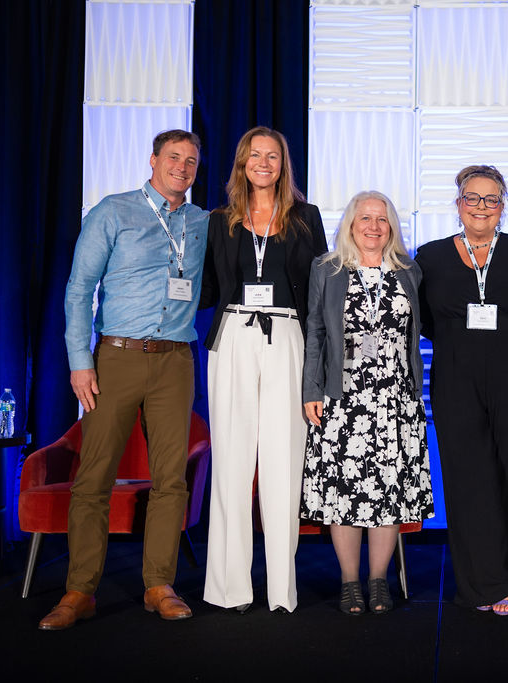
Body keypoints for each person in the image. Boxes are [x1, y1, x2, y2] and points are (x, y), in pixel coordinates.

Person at [40, 129, 208, 630]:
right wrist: (79, 360)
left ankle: (159, 585)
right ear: (153, 160)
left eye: (191, 161)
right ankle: (79, 592)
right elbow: (79, 288)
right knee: (93, 478)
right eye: (173, 157)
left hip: (176, 361)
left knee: (171, 479)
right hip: (115, 357)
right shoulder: (113, 211)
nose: (182, 167)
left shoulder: (203, 223)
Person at [201, 126, 327, 614]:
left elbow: (320, 290)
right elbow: (207, 288)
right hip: (234, 335)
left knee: (284, 461)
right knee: (231, 464)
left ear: (283, 165)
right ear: (242, 162)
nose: (263, 163)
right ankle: (229, 587)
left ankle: (281, 590)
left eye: (272, 156)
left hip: (287, 336)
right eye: (255, 155)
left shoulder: (306, 218)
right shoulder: (219, 221)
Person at [416, 165, 508, 615]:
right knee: (468, 477)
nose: (481, 207)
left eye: (491, 199)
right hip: (456, 374)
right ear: (458, 204)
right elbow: (423, 320)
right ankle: (486, 583)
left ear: (503, 206)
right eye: (472, 198)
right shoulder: (430, 257)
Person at [301, 191, 433, 615]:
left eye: (382, 219)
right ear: (350, 224)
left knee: (388, 492)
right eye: (365, 218)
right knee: (345, 492)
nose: (374, 226)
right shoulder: (327, 268)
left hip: (395, 397)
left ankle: (378, 581)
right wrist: (311, 390)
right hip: (343, 397)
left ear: (391, 226)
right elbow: (316, 332)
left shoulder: (409, 270)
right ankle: (349, 583)